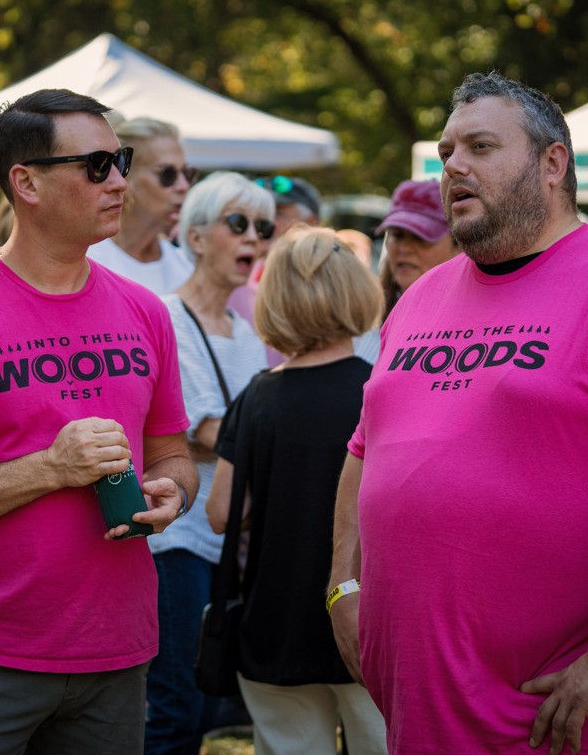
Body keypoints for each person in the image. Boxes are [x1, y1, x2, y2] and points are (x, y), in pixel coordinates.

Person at [328, 72, 588, 755]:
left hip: (555, 713)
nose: (453, 165)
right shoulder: (420, 298)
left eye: (480, 146)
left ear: (553, 164)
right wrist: (343, 587)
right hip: (419, 707)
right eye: (446, 152)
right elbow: (364, 450)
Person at [0, 88, 197, 755]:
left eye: (123, 159)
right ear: (27, 183)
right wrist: (51, 469)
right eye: (96, 165)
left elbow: (173, 454)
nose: (121, 182)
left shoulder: (146, 312)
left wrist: (175, 492)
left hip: (117, 654)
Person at [206, 226, 387, 755]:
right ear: (357, 294)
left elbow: (221, 513)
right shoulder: (380, 391)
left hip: (274, 624)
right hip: (366, 621)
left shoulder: (257, 397)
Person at [146, 171, 271, 755]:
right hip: (177, 541)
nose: (255, 238)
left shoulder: (245, 332)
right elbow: (203, 431)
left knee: (202, 703)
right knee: (175, 706)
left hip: (226, 546)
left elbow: (245, 431)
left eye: (264, 227)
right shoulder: (167, 319)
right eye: (238, 224)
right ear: (196, 238)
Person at [86, 117, 196, 294]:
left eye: (188, 173)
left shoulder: (185, 268)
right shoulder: (88, 262)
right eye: (167, 174)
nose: (183, 186)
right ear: (126, 178)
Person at [227, 175, 322, 367]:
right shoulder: (236, 280)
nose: (265, 224)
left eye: (277, 213)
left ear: (311, 222)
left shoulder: (330, 285)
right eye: (260, 215)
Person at [374, 179, 462, 321]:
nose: (404, 248)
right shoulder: (364, 322)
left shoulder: (474, 318)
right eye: (397, 235)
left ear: (458, 245)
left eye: (420, 237)